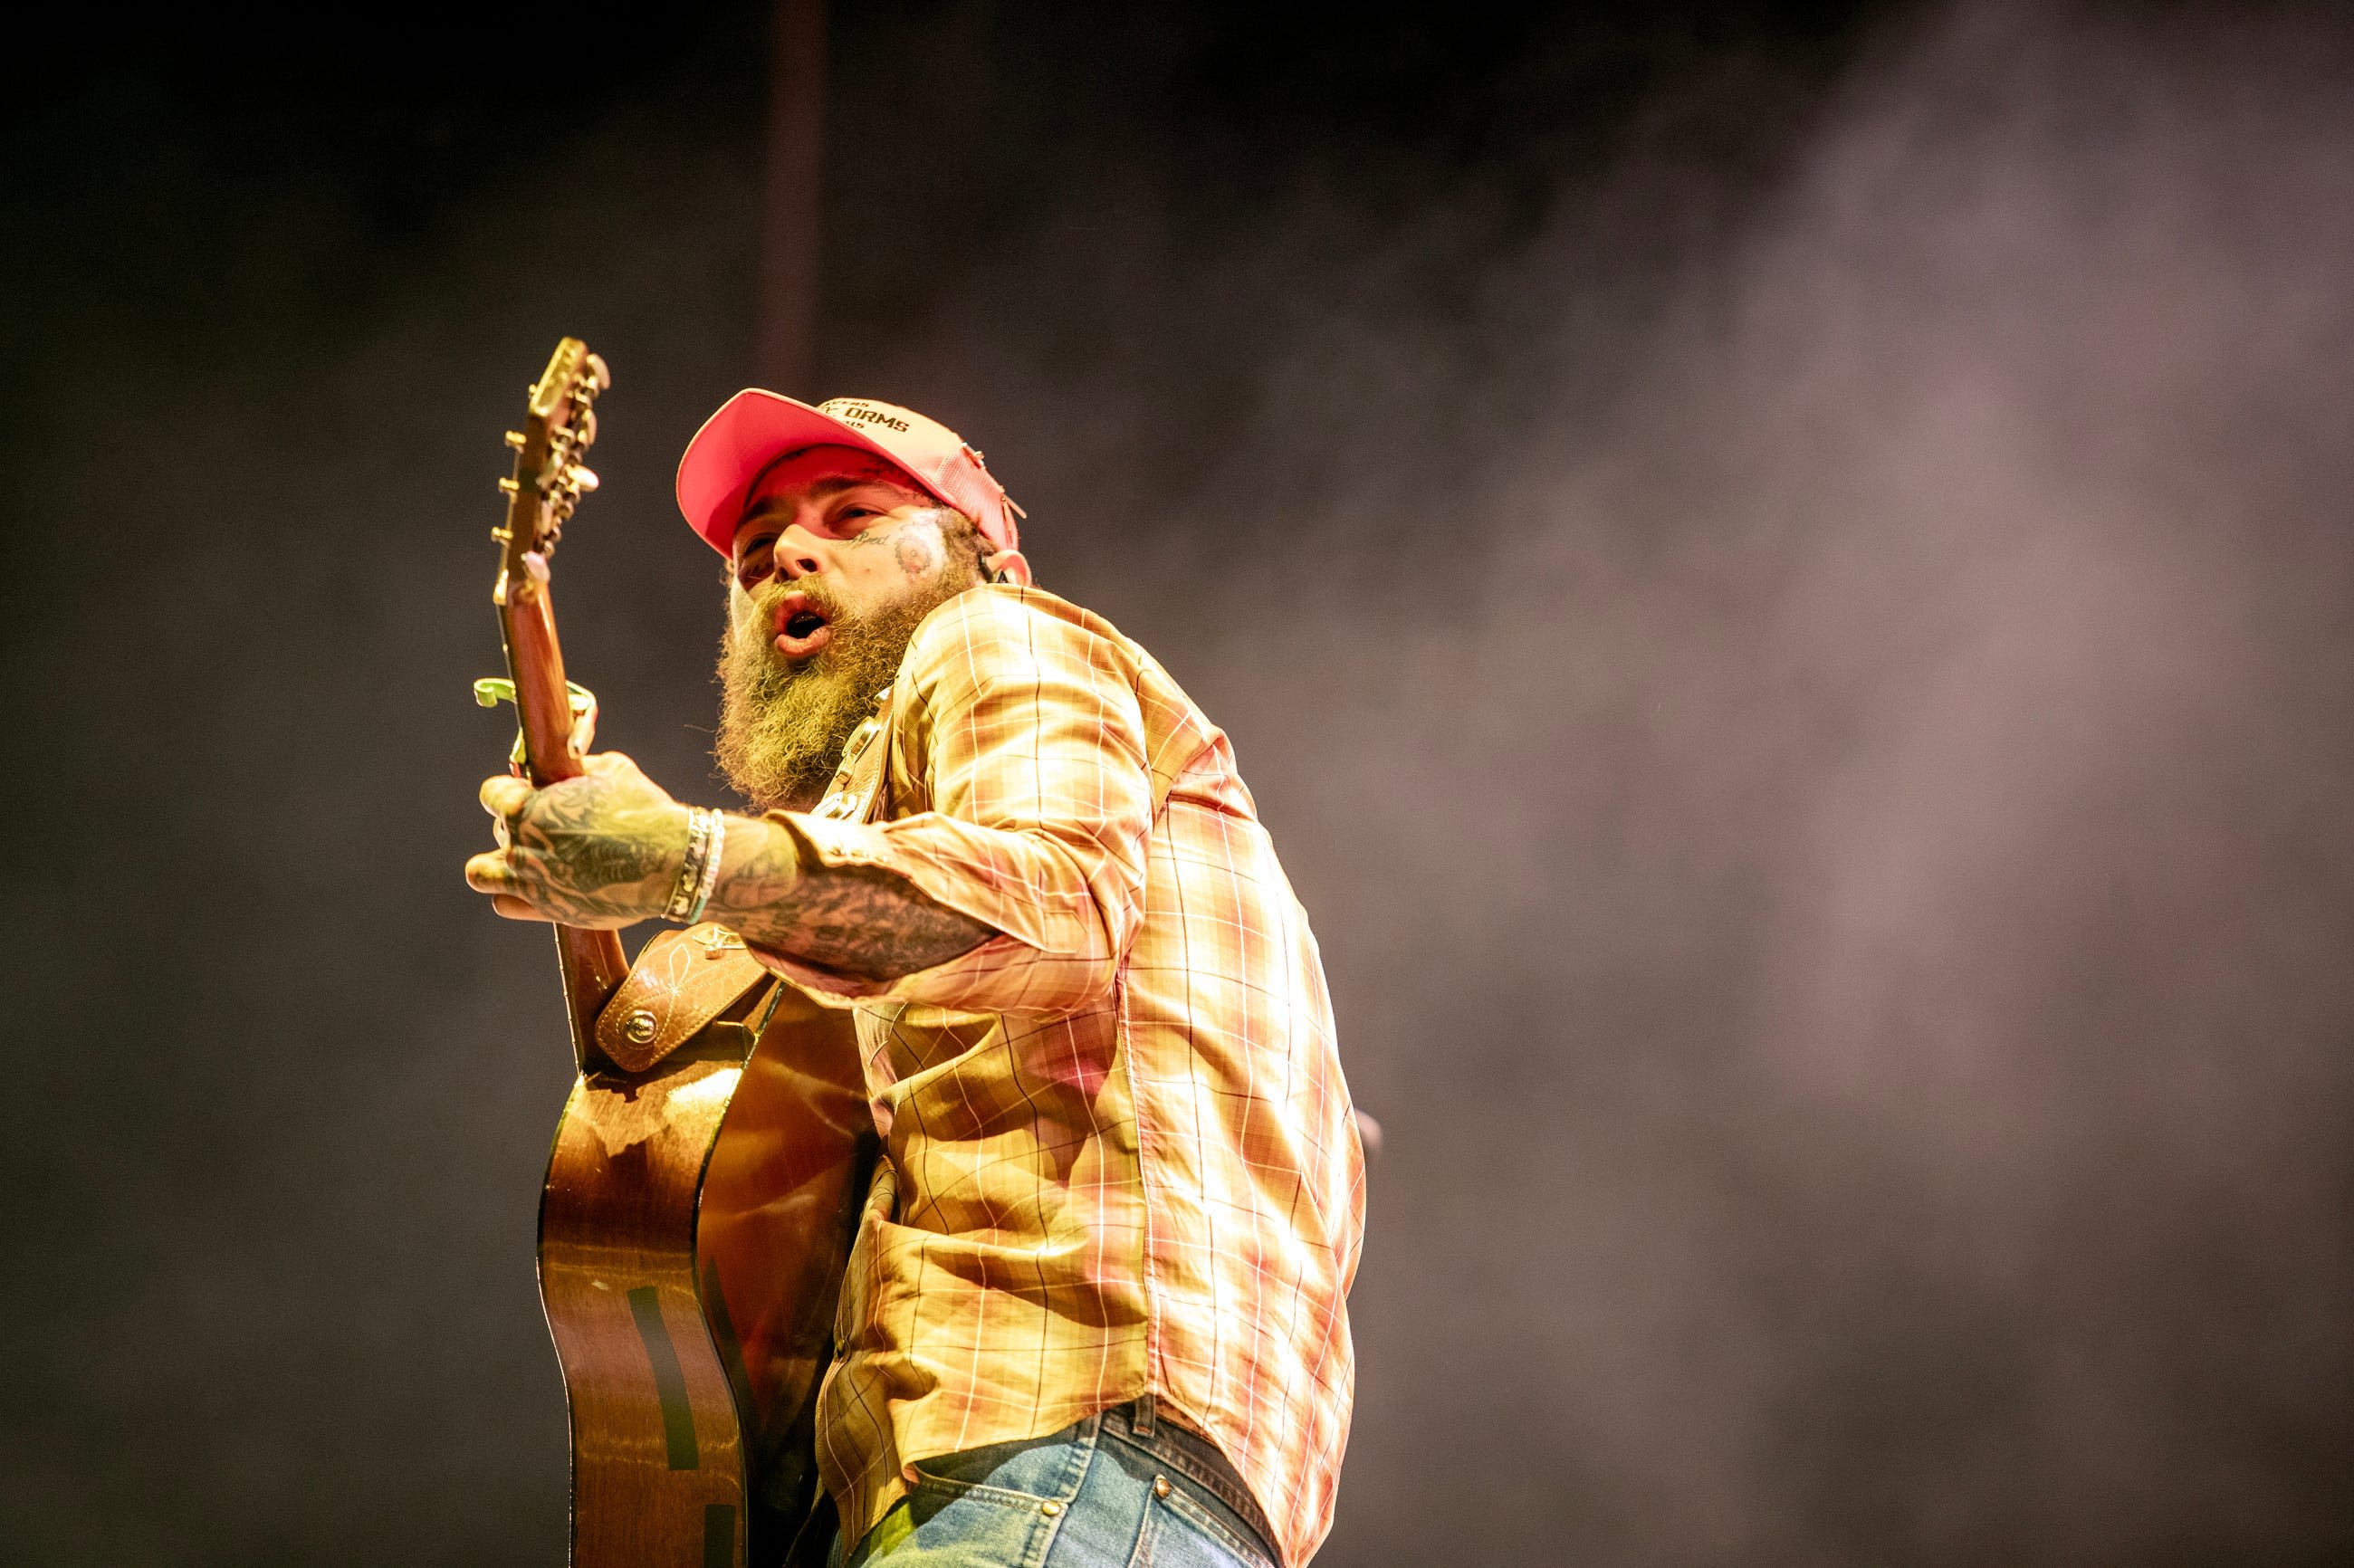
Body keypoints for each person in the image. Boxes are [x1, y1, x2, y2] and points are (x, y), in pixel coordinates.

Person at [465, 392, 1364, 1567]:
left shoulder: (1000, 635)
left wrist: (682, 858)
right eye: (755, 551)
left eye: (852, 514)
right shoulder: (916, 856)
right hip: (1107, 1485)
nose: (788, 551)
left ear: (986, 556)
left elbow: (1054, 905)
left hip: (1051, 1456)